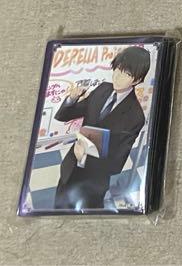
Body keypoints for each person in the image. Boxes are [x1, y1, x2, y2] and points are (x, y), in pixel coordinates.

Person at [52, 46, 151, 211]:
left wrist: (84, 157)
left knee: (87, 218)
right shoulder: (102, 88)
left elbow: (116, 164)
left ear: (137, 80)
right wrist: (72, 99)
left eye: (126, 74)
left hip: (94, 181)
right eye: (118, 69)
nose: (117, 76)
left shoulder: (135, 116)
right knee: (57, 210)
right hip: (70, 167)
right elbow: (64, 115)